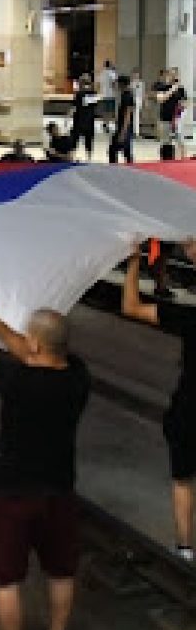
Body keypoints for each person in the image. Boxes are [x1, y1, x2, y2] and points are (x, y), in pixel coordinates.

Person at [0, 286, 89, 630]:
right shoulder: (78, 377)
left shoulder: (16, 379)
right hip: (60, 491)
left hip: (14, 493)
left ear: (36, 346)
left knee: (7, 579)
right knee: (61, 571)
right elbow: (31, 353)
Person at [120, 241, 196, 562]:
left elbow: (132, 307)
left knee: (183, 478)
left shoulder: (189, 318)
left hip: (189, 409)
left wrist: (135, 263)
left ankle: (184, 548)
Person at [69, 75, 98, 162]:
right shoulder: (92, 93)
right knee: (86, 139)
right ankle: (87, 157)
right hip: (87, 119)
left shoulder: (80, 94)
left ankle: (74, 156)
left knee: (77, 138)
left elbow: (75, 105)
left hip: (81, 118)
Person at [108, 74, 134, 165]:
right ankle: (130, 166)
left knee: (114, 148)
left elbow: (128, 114)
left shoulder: (128, 96)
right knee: (125, 150)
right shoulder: (124, 95)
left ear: (122, 84)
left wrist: (123, 131)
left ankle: (114, 167)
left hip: (124, 127)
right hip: (122, 125)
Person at [97, 59, 117, 132]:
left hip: (103, 94)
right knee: (110, 111)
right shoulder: (112, 73)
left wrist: (99, 92)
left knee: (104, 110)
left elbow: (98, 84)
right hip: (111, 94)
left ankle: (104, 123)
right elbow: (114, 83)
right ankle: (108, 123)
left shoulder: (102, 73)